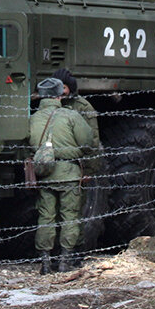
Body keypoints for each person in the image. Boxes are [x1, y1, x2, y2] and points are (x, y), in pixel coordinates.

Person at [30, 77, 93, 274]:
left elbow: (30, 147)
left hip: (45, 174)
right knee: (70, 216)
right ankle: (66, 260)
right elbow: (87, 143)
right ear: (59, 95)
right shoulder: (70, 116)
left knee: (46, 217)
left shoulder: (33, 118)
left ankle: (46, 263)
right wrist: (72, 153)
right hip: (69, 174)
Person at [52, 68, 102, 261]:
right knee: (52, 212)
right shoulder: (50, 107)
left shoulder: (82, 107)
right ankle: (59, 251)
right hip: (53, 168)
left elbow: (93, 142)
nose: (60, 92)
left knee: (74, 213)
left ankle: (76, 251)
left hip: (76, 168)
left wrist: (89, 170)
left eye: (63, 87)